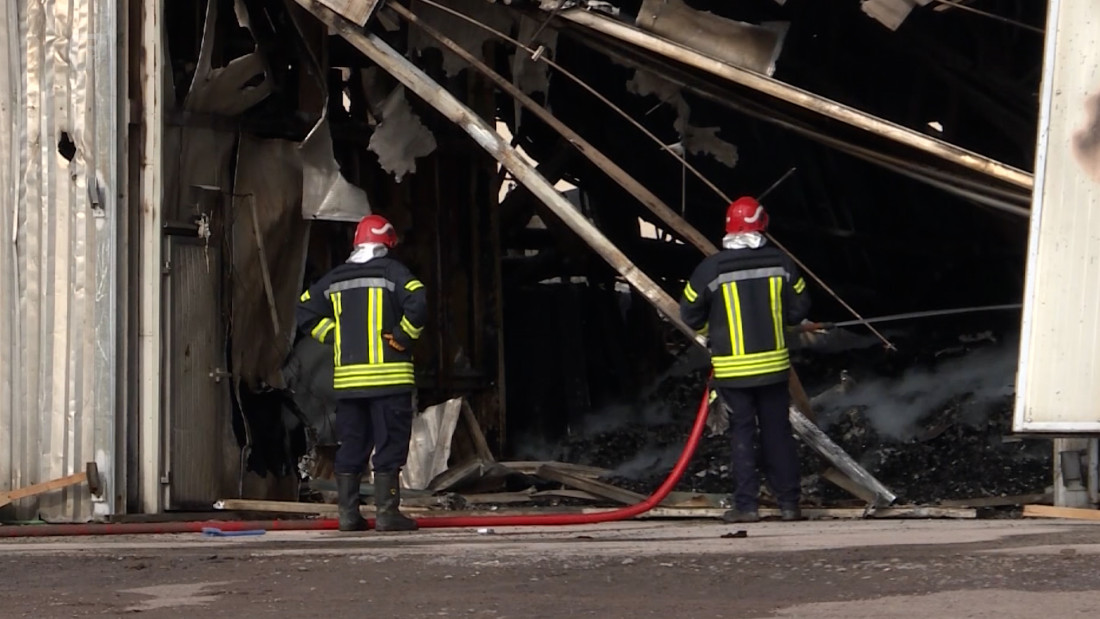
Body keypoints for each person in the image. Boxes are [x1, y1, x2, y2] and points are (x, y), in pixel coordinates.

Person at [679, 196, 811, 523]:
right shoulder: (781, 264)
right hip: (773, 368)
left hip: (733, 371)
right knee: (777, 433)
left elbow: (690, 315)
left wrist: (714, 327)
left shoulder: (710, 269)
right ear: (762, 224)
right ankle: (789, 505)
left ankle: (747, 506)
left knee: (741, 435)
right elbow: (799, 310)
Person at [297, 213, 427, 532]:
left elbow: (304, 309)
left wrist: (334, 334)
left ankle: (348, 515)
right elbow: (418, 298)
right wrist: (403, 336)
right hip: (388, 381)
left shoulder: (336, 278)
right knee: (389, 446)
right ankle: (386, 514)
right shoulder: (393, 272)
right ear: (387, 243)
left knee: (352, 444)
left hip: (349, 385)